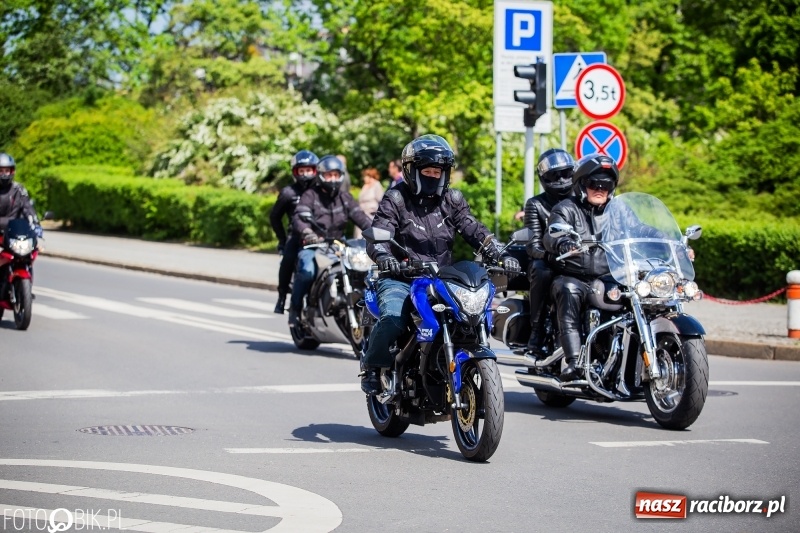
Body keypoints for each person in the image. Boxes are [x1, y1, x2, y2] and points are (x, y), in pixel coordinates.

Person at [360, 135, 521, 394]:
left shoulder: (452, 200)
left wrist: (499, 252)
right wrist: (385, 257)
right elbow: (379, 232)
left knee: (472, 316)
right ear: (412, 172)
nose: (433, 175)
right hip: (401, 276)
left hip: (440, 277)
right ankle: (373, 366)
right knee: (392, 318)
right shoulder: (396, 199)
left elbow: (473, 228)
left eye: (438, 171)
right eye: (428, 170)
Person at [543, 154, 625, 381]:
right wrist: (563, 242)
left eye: (606, 184)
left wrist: (675, 246)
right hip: (574, 276)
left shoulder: (618, 211)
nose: (600, 189)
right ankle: (573, 360)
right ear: (581, 185)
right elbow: (551, 236)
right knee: (567, 289)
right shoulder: (566, 208)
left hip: (609, 276)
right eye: (594, 184)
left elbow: (646, 230)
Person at [290, 155, 372, 325]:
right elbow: (299, 217)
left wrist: (379, 233)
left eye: (336, 175)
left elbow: (361, 218)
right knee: (307, 272)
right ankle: (295, 310)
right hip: (313, 245)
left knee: (362, 271)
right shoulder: (310, 195)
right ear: (321, 175)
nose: (333, 179)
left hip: (339, 245)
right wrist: (307, 232)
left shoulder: (345, 198)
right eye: (329, 175)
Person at [522, 148, 575, 363]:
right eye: (554, 176)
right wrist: (552, 256)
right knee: (540, 270)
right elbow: (532, 244)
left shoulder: (580, 200)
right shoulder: (536, 204)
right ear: (544, 178)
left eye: (565, 173)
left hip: (582, 261)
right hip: (552, 261)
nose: (561, 180)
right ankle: (537, 331)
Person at [269, 150, 319, 314]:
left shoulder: (321, 190)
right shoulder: (288, 193)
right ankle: (282, 296)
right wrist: (282, 240)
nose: (306, 174)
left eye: (309, 170)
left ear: (316, 170)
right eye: (301, 171)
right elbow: (275, 217)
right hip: (296, 237)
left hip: (320, 236)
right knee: (287, 260)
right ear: (295, 172)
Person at [0, 153, 42, 237]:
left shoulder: (19, 189)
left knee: (33, 248)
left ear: (12, 171)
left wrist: (36, 223)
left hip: (14, 233)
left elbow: (28, 207)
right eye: (1, 171)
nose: (4, 174)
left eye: (7, 171)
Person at [354, 168, 384, 238]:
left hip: (371, 215)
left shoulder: (376, 185)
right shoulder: (365, 186)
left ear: (370, 176)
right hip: (361, 215)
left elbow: (381, 200)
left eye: (365, 176)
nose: (364, 178)